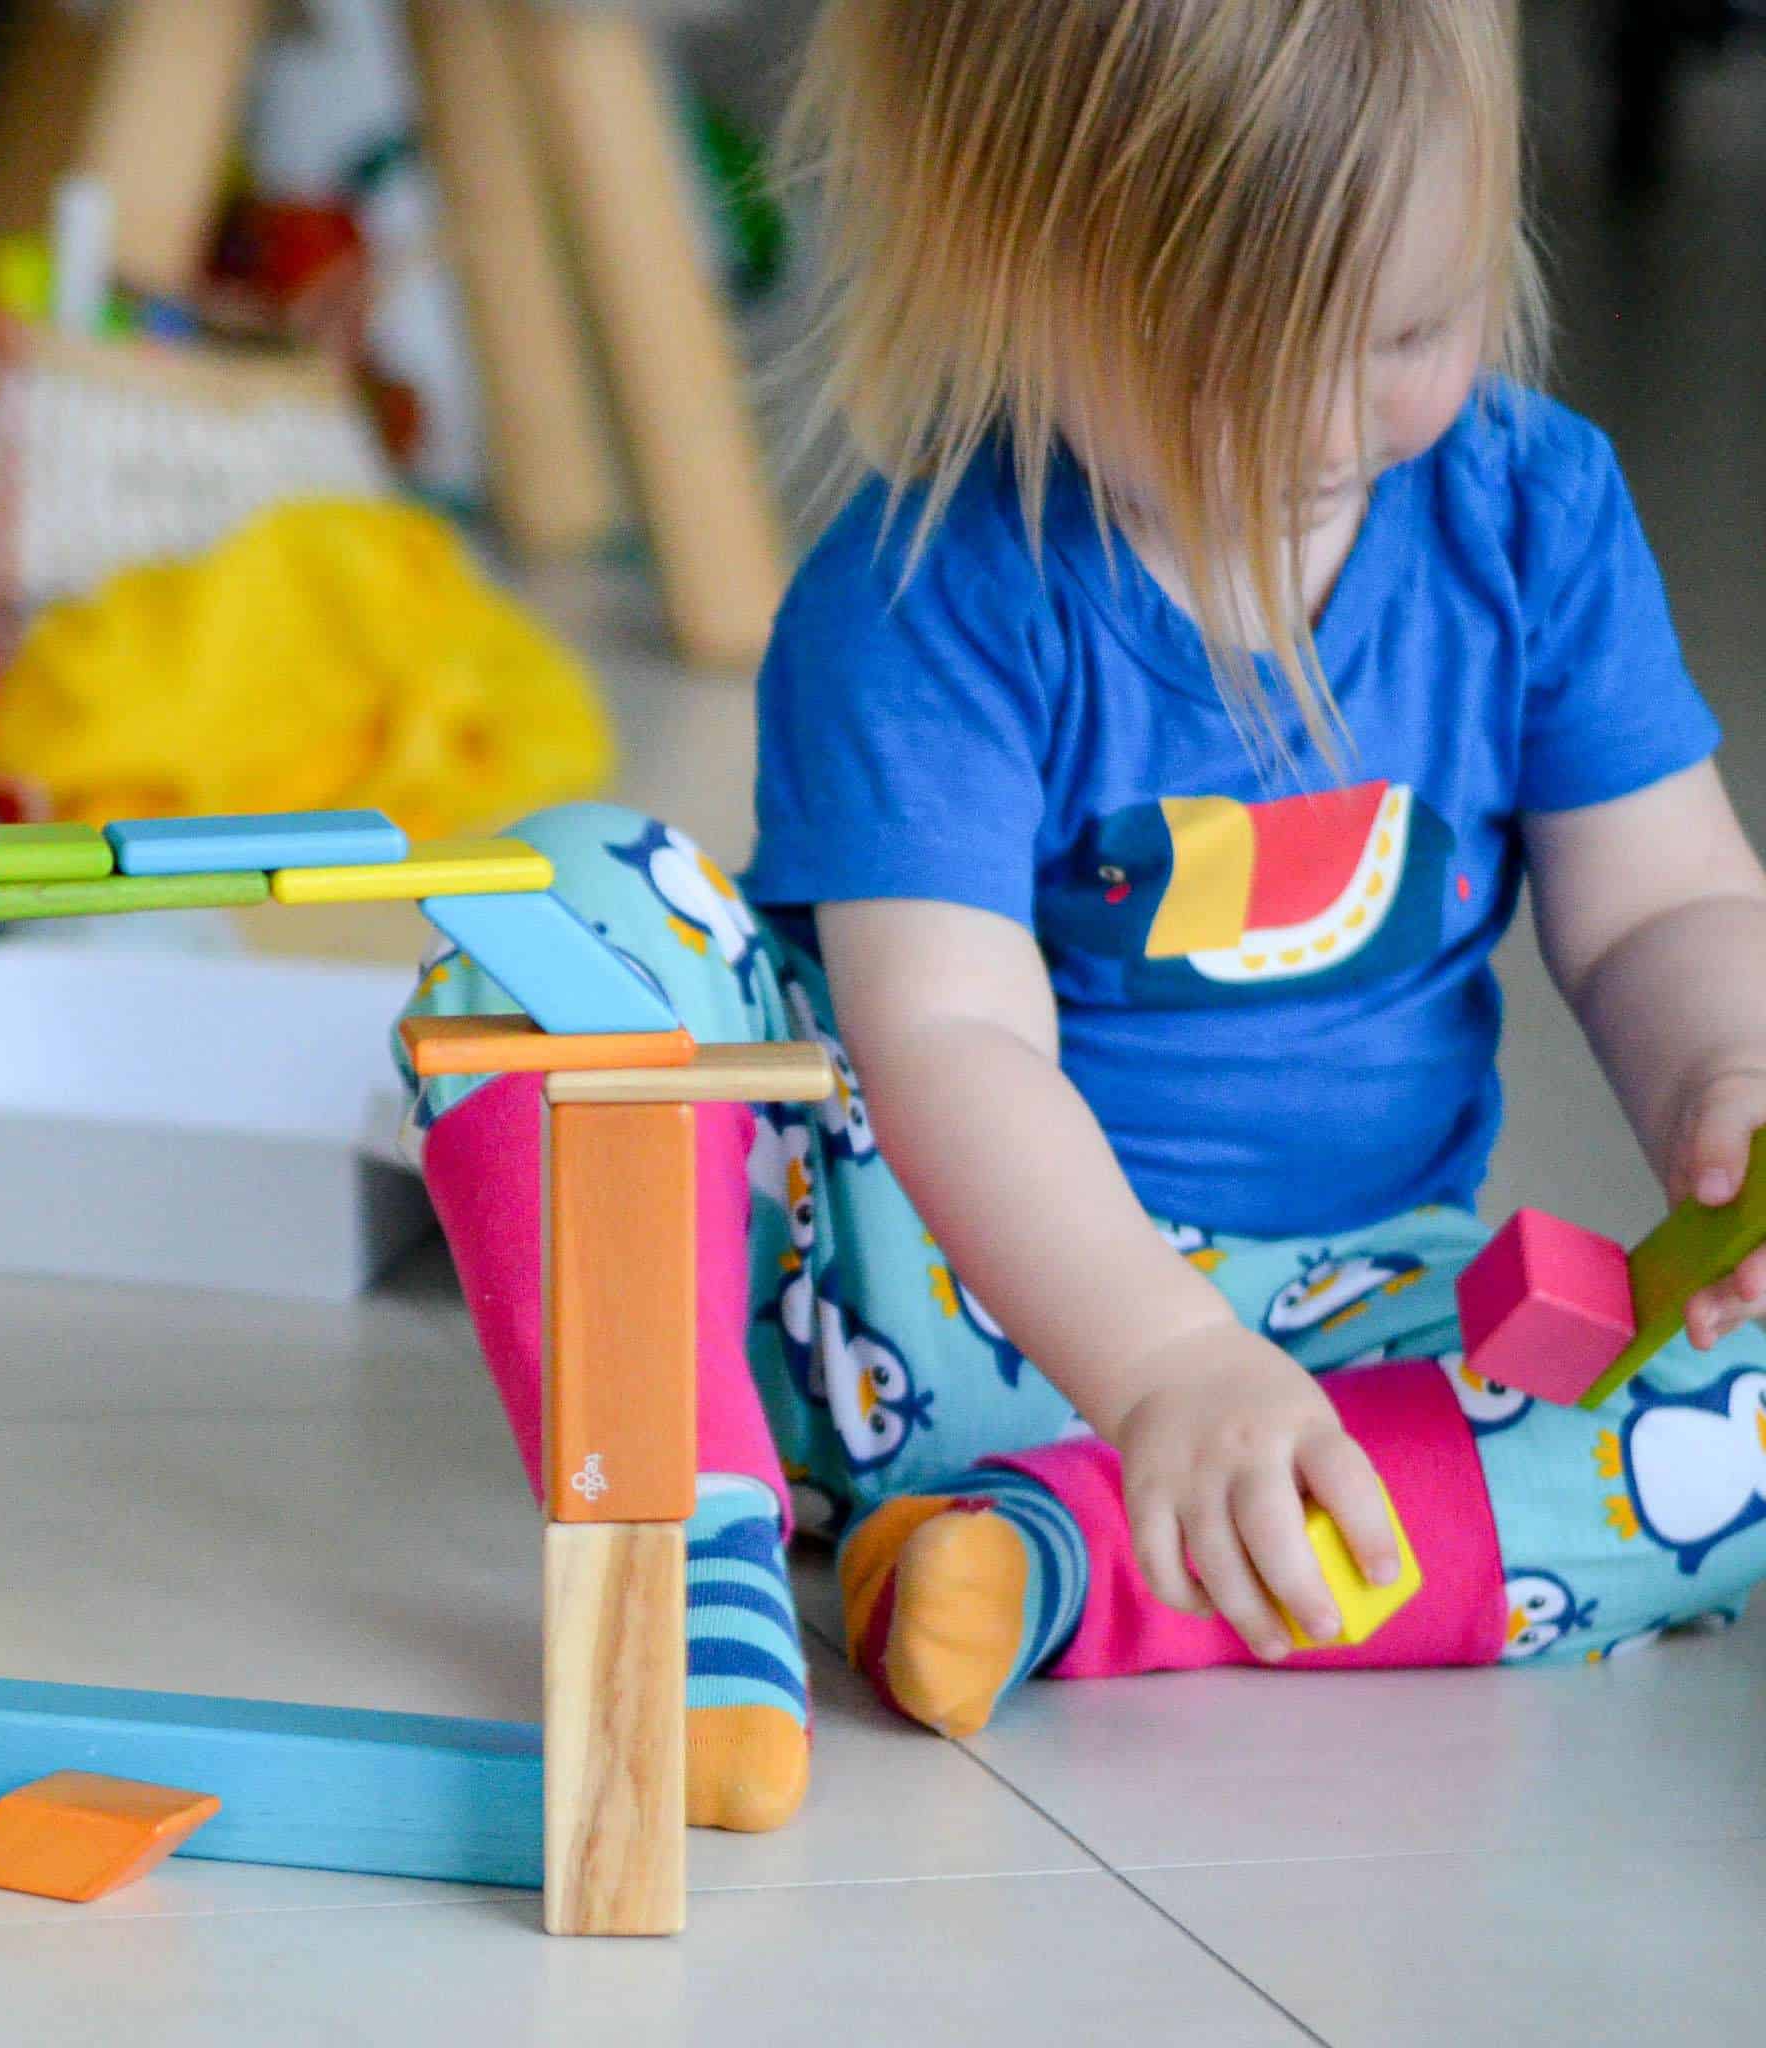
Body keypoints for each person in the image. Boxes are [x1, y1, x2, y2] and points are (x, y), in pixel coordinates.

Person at [397, 0, 1766, 1835]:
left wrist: (1728, 1060)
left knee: (1726, 1435)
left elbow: (1661, 894)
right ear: (1007, 279)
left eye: (1411, 334)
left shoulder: (1530, 515)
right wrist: (1156, 1362)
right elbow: (948, 1030)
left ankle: (1050, 1566)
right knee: (542, 910)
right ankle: (684, 1538)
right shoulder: (931, 589)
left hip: (1353, 1333)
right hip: (914, 1293)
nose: (1320, 423)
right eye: (1228, 362)